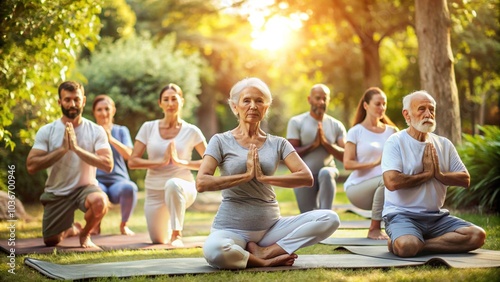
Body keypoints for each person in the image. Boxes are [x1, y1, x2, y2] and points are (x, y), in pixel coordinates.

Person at [197, 77, 340, 269]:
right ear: (235, 106)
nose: (253, 106)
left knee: (330, 219)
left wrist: (265, 178)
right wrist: (245, 176)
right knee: (216, 251)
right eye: (246, 100)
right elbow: (202, 182)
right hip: (231, 229)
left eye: (259, 101)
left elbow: (306, 177)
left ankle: (267, 251)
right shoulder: (220, 141)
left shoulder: (278, 143)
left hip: (271, 229)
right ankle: (263, 261)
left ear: (266, 108)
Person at [381, 90, 486, 257]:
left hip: (436, 217)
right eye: (422, 109)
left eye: (431, 109)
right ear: (407, 115)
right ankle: (408, 241)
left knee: (477, 235)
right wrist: (427, 174)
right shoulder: (395, 141)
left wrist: (440, 175)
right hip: (401, 215)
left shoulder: (444, 144)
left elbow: (465, 179)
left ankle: (417, 244)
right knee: (408, 245)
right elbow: (391, 182)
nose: (428, 114)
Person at [26, 81, 113, 248]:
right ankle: (71, 229)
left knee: (100, 201)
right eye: (67, 100)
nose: (72, 104)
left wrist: (77, 149)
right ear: (59, 102)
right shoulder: (47, 131)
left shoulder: (96, 130)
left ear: (84, 101)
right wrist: (63, 150)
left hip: (85, 188)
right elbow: (31, 166)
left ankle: (85, 233)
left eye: (76, 99)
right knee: (51, 241)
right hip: (57, 191)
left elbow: (108, 164)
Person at [128, 83, 207, 246]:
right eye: (166, 99)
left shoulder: (192, 131)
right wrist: (159, 162)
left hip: (183, 187)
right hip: (154, 190)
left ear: (182, 101)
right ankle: (169, 230)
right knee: (158, 240)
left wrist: (181, 163)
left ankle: (177, 234)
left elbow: (210, 162)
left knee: (173, 184)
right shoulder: (148, 128)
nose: (170, 103)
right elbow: (133, 161)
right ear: (160, 103)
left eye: (174, 99)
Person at [343, 87, 398, 240]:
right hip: (358, 188)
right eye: (377, 104)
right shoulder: (355, 131)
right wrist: (374, 163)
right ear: (366, 106)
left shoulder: (392, 131)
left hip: (383, 188)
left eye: (384, 104)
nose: (382, 108)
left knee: (396, 180)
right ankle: (373, 229)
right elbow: (347, 163)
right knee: (385, 180)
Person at [286, 84, 346, 213]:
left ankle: (326, 217)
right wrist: (313, 145)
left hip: (329, 171)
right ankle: (317, 222)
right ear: (309, 99)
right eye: (317, 98)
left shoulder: (336, 125)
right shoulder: (296, 122)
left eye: (325, 99)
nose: (321, 102)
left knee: (326, 173)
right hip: (304, 174)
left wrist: (325, 144)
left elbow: (346, 156)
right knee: (309, 217)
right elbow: (290, 154)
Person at [92, 95, 138, 235]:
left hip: (119, 181)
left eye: (107, 109)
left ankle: (124, 225)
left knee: (130, 187)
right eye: (99, 109)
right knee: (96, 191)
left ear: (113, 110)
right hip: (97, 180)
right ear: (94, 112)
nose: (104, 113)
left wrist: (110, 139)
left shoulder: (121, 130)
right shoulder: (90, 131)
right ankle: (95, 226)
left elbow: (129, 155)